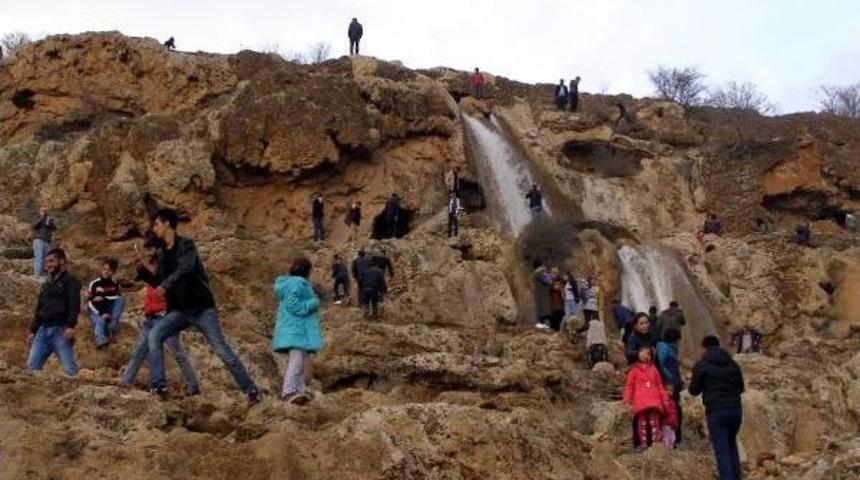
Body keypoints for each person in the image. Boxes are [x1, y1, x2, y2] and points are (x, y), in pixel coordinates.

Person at [136, 208, 262, 405]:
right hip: (179, 310)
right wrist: (143, 271)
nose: (154, 228)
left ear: (167, 223)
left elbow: (185, 269)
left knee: (222, 351)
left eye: (156, 224)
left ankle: (252, 391)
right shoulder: (162, 255)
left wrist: (164, 285)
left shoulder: (186, 245)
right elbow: (159, 281)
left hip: (201, 307)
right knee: (155, 334)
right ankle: (159, 386)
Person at [121, 238, 198, 395]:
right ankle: (125, 382)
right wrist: (139, 262)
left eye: (152, 249)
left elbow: (158, 277)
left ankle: (192, 387)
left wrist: (141, 260)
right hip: (150, 319)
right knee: (139, 352)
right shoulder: (153, 269)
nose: (149, 253)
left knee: (177, 353)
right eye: (148, 250)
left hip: (165, 317)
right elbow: (146, 275)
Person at [689, 336, 745, 480]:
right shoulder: (732, 364)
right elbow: (741, 387)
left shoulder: (702, 365)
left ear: (704, 347)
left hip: (716, 412)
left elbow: (693, 390)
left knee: (722, 451)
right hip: (735, 410)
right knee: (731, 444)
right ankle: (737, 476)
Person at [273, 257, 323, 405]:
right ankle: (288, 391)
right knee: (296, 361)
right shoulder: (297, 283)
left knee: (300, 361)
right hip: (296, 330)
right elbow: (293, 305)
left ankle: (299, 388)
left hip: (295, 330)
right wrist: (312, 303)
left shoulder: (291, 283)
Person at [26, 248, 81, 377]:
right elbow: (39, 309)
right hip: (42, 332)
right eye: (46, 262)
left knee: (70, 370)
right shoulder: (46, 285)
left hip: (60, 331)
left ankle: (79, 395)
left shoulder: (70, 281)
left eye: (51, 261)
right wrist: (33, 331)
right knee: (30, 370)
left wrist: (70, 326)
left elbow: (74, 305)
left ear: (62, 262)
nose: (48, 265)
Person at [623, 346, 664, 451]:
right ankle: (643, 444)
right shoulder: (634, 370)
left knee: (654, 422)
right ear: (638, 354)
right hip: (641, 401)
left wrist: (665, 398)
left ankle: (656, 444)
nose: (646, 356)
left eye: (648, 354)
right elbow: (629, 386)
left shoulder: (654, 369)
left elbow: (660, 385)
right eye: (643, 353)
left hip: (654, 400)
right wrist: (626, 400)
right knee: (642, 423)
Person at [86, 258, 126, 348]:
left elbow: (117, 301)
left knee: (121, 299)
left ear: (113, 272)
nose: (106, 272)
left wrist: (108, 312)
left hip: (109, 311)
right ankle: (100, 340)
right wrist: (101, 313)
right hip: (96, 311)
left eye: (109, 270)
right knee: (101, 320)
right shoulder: (94, 284)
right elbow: (89, 302)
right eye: (104, 269)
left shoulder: (114, 284)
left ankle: (112, 326)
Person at [656, 328, 683, 446]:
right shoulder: (664, 348)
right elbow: (661, 364)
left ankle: (674, 437)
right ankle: (670, 438)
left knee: (675, 409)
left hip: (673, 383)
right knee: (672, 409)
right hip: (669, 384)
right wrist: (669, 378)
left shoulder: (668, 348)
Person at [31, 208, 57, 278]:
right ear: (40, 211)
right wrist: (42, 218)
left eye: (46, 211)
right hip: (38, 240)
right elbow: (34, 226)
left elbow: (54, 228)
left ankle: (44, 275)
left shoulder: (49, 219)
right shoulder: (37, 218)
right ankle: (37, 275)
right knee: (39, 257)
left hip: (47, 242)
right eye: (43, 211)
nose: (45, 212)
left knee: (47, 259)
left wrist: (50, 222)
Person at [533, 260, 553, 329]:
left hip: (540, 294)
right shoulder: (540, 273)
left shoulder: (538, 273)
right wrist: (547, 272)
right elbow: (549, 281)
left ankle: (541, 323)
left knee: (541, 309)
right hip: (541, 295)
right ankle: (539, 323)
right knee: (541, 309)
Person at [661, 381, 680, 449]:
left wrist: (676, 423)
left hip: (672, 423)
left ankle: (670, 451)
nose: (669, 392)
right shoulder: (664, 400)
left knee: (672, 438)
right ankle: (665, 451)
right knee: (666, 438)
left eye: (671, 390)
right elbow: (663, 410)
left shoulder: (672, 400)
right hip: (666, 423)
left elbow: (675, 413)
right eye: (667, 390)